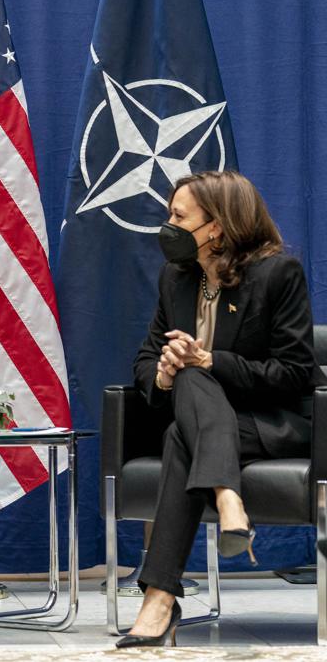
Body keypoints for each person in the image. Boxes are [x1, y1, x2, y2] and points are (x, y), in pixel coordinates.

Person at [117, 170, 327, 647]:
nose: (168, 226)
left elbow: (295, 372)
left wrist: (210, 360)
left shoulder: (277, 274)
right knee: (187, 382)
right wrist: (165, 372)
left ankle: (159, 601)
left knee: (183, 424)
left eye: (179, 217)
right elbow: (146, 359)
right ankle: (227, 498)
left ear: (215, 227)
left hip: (274, 421)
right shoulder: (176, 278)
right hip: (206, 418)